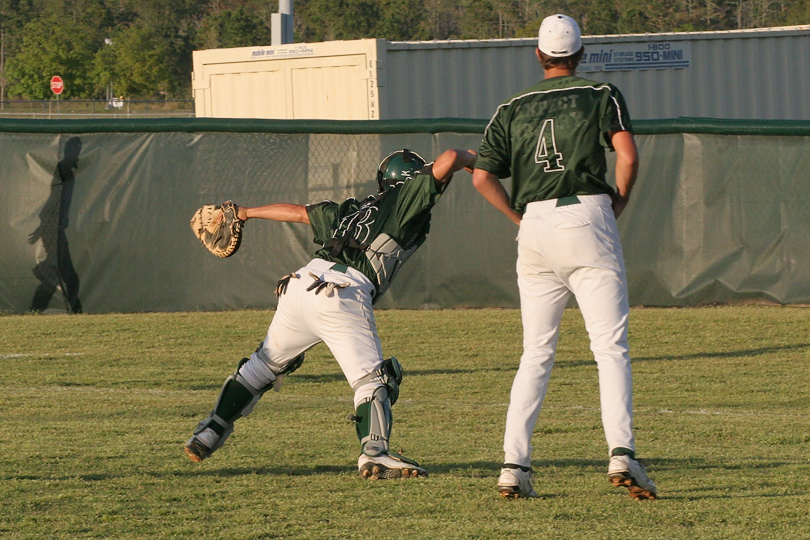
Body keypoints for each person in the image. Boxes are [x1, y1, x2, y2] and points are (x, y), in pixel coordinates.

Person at [185, 148, 477, 479]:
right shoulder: (407, 197)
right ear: (410, 180)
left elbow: (297, 213)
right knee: (376, 379)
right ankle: (375, 453)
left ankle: (208, 432)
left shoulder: (355, 209)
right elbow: (450, 157)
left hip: (299, 284)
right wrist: (473, 160)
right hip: (343, 292)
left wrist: (245, 212)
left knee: (261, 368)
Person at [471, 14, 657, 500]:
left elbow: (481, 177)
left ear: (539, 54)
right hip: (587, 214)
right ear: (580, 53)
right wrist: (619, 200)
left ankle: (514, 466)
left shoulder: (511, 106)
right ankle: (622, 453)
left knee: (535, 354)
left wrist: (518, 219)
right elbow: (629, 157)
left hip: (535, 225)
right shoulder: (600, 93)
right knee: (609, 347)